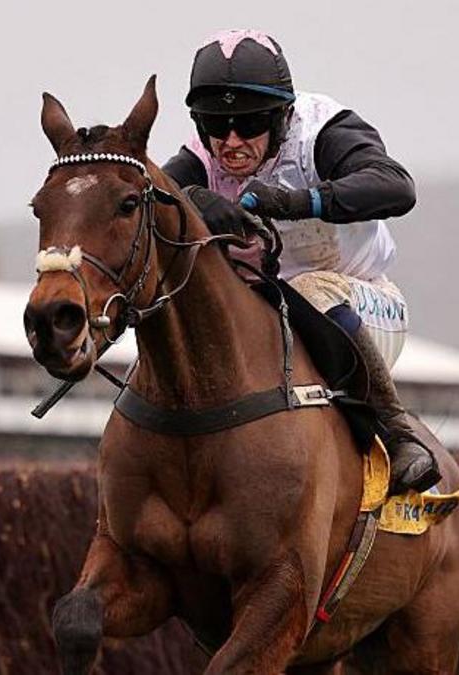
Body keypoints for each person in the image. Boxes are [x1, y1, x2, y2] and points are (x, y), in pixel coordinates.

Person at [162, 29, 439, 494]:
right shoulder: (201, 154)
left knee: (309, 288)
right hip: (269, 313)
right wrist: (191, 198)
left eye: (249, 124)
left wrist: (297, 201)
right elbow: (151, 200)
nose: (230, 141)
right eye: (216, 124)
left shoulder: (324, 131)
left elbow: (396, 186)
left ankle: (395, 428)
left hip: (361, 303)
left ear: (282, 117)